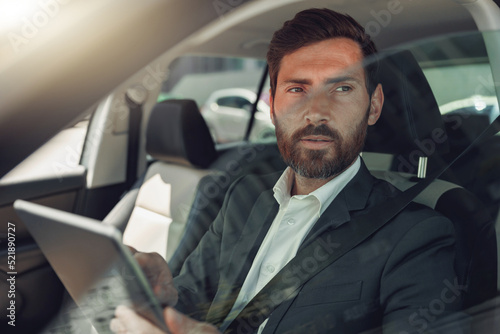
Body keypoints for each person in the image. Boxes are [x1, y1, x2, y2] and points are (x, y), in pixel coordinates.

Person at [111, 8, 459, 334]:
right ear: (273, 106)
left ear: (374, 106)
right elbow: (192, 300)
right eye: (297, 89)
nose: (316, 113)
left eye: (342, 88)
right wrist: (164, 297)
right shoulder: (242, 196)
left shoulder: (417, 236)